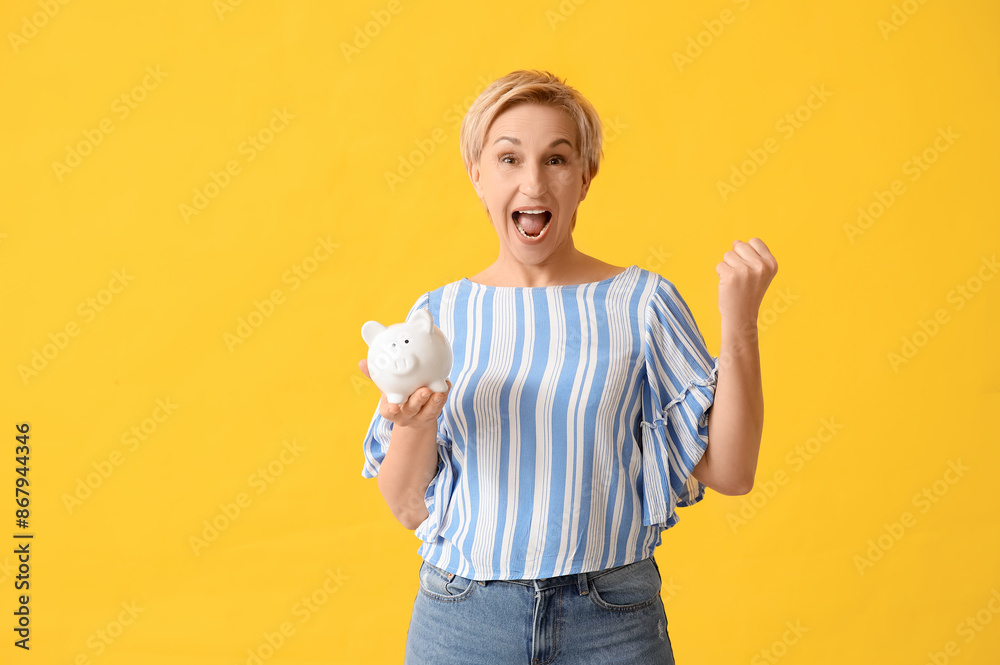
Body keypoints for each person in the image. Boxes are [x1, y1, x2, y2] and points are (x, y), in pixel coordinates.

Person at [359, 69, 778, 664]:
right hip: (464, 621)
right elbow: (407, 506)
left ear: (585, 177)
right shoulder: (438, 316)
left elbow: (731, 471)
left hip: (610, 621)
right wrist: (415, 421)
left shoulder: (642, 303)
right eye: (508, 159)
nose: (533, 181)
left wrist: (740, 323)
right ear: (477, 175)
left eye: (556, 159)